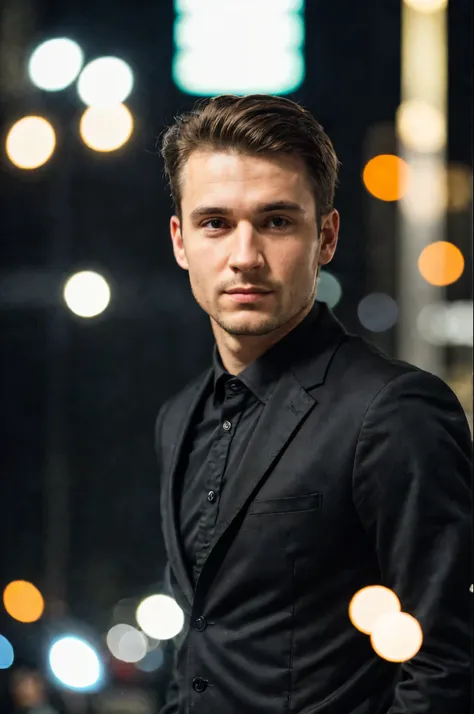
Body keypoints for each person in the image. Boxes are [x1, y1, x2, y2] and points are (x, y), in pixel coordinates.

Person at [155, 95, 472, 713]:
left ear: (325, 237)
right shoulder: (177, 417)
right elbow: (200, 651)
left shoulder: (394, 412)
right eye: (215, 223)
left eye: (276, 221)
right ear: (181, 240)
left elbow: (446, 668)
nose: (244, 256)